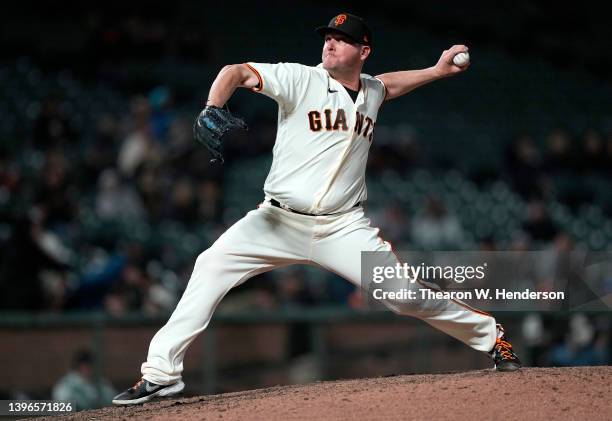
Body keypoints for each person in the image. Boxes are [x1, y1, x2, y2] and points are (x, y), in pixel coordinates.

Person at [113, 13, 521, 405]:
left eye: (341, 39)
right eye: (328, 36)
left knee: (403, 296)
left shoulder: (371, 91)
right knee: (209, 265)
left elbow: (386, 85)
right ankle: (161, 374)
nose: (330, 41)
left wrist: (435, 71)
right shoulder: (300, 78)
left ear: (363, 51)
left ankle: (491, 337)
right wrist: (212, 106)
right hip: (276, 220)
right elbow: (234, 71)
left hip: (343, 227)